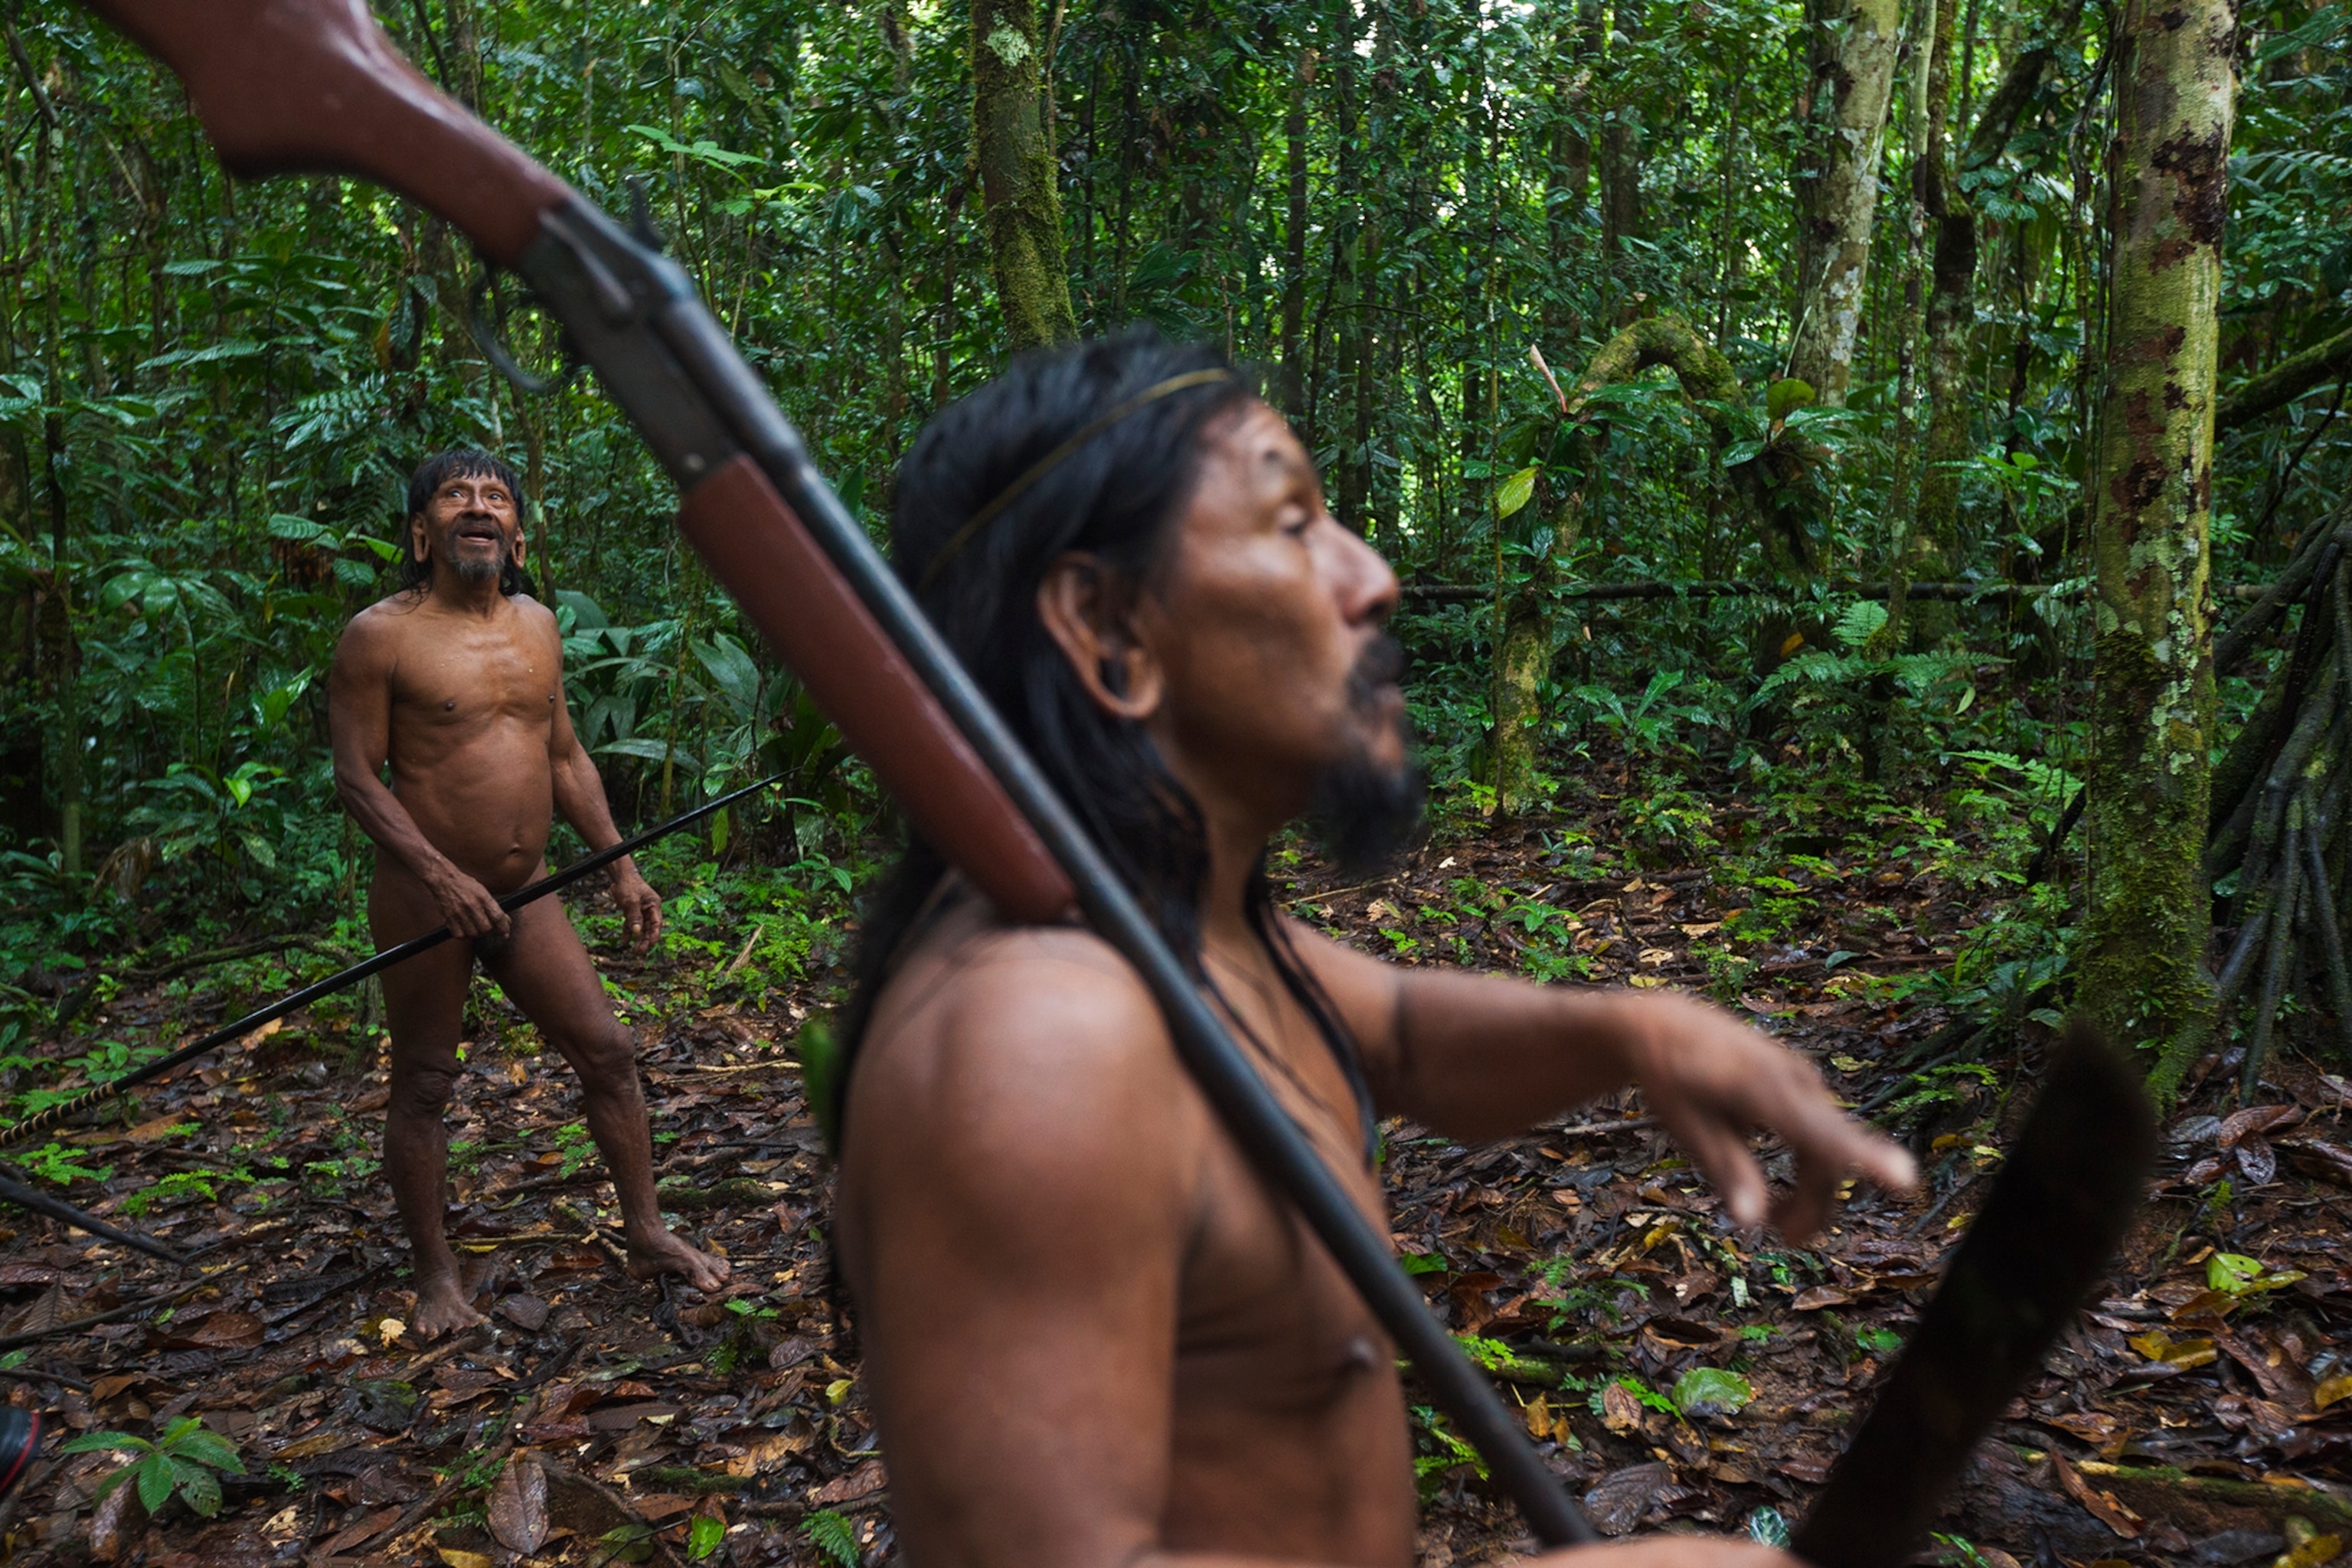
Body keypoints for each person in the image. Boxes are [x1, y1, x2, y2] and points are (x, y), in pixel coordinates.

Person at [830, 334, 1917, 1568]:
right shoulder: (1042, 1039)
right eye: (1293, 523)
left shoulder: (1186, 935)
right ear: (1110, 628)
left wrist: (1639, 1030)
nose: (1375, 576)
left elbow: (1395, 1031)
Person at [329, 449, 727, 1338]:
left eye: (496, 496)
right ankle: (437, 1279)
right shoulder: (380, 635)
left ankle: (647, 1229)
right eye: (455, 494)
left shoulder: (538, 624)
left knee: (609, 1053)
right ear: (421, 531)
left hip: (527, 887)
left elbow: (563, 755)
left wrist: (619, 862)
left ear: (516, 536)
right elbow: (357, 779)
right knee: (425, 1083)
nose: (478, 505)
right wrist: (440, 873)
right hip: (425, 897)